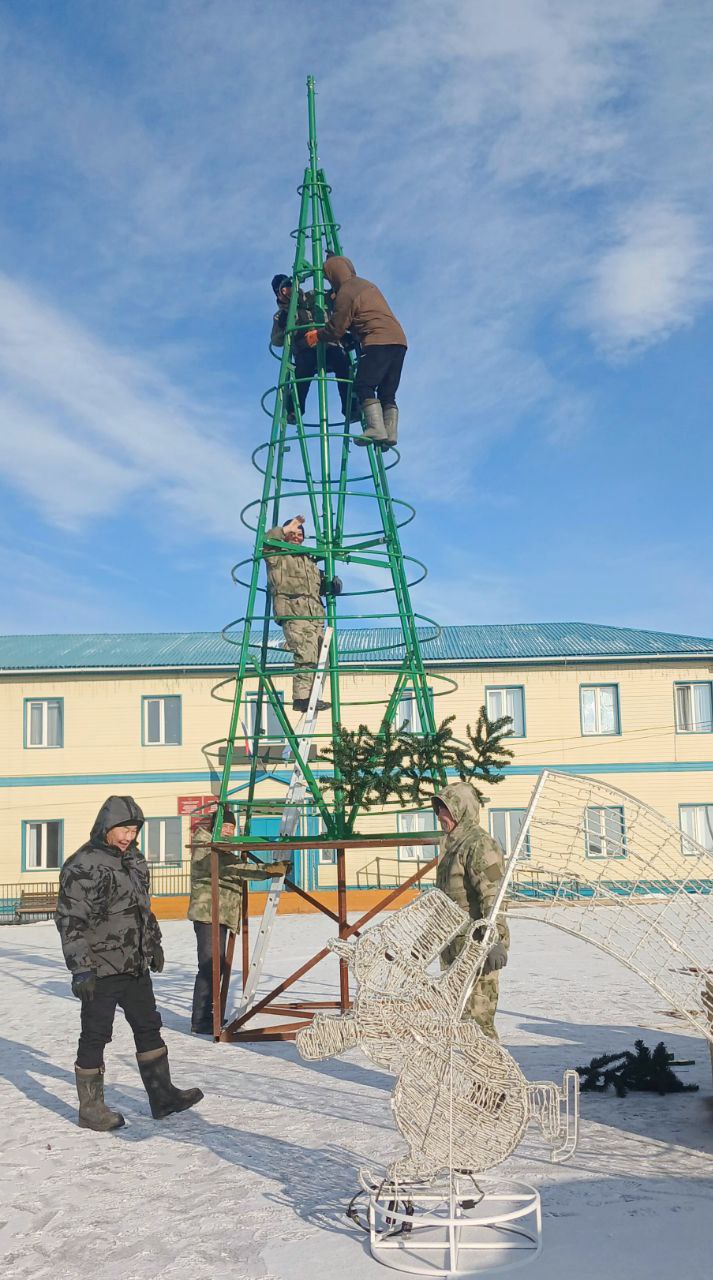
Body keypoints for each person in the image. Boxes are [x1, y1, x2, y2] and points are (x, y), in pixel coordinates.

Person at [55, 795, 203, 1131]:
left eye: (134, 830)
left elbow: (142, 909)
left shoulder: (134, 860)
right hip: (100, 967)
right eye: (123, 829)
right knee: (95, 1035)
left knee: (149, 1026)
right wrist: (81, 968)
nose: (129, 836)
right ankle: (91, 1109)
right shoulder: (82, 865)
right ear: (106, 826)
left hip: (134, 963)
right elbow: (70, 920)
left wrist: (153, 945)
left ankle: (163, 1097)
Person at [188, 807, 289, 1033]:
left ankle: (209, 1015)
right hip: (208, 914)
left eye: (231, 827)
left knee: (217, 966)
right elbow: (233, 869)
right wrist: (268, 870)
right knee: (209, 966)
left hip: (220, 914)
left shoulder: (222, 849)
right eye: (224, 826)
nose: (228, 831)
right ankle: (200, 1019)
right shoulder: (204, 847)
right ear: (214, 827)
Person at [431, 782, 509, 1040]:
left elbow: (494, 894)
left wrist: (493, 940)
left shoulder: (480, 845)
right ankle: (471, 1068)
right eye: (438, 810)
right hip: (456, 949)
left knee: (478, 1024)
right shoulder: (453, 847)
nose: (440, 816)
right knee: (461, 1022)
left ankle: (488, 1067)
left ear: (460, 810)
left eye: (444, 809)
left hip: (478, 949)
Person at [305, 255, 407, 449]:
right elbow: (363, 315)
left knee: (363, 384)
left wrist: (318, 335)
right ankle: (390, 433)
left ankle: (375, 428)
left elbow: (336, 329)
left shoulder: (346, 291)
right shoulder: (366, 285)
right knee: (387, 392)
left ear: (333, 275)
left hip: (377, 340)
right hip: (399, 341)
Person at [263, 513, 341, 712]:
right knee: (305, 653)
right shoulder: (278, 556)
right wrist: (285, 529)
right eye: (293, 533)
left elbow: (316, 587)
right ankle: (302, 698)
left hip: (314, 615)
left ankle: (312, 696)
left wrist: (330, 585)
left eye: (300, 534)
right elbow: (266, 541)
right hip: (293, 612)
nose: (297, 537)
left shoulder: (309, 561)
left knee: (322, 654)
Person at [270, 274, 358, 424]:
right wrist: (284, 326)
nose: (286, 291)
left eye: (288, 287)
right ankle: (295, 409)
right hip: (305, 350)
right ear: (278, 294)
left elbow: (334, 297)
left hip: (329, 346)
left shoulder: (314, 297)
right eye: (281, 290)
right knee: (303, 367)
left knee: (342, 362)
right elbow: (276, 341)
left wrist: (334, 289)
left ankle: (351, 407)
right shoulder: (281, 316)